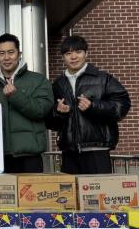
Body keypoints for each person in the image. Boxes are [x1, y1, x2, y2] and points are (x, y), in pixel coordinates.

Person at [47, 35, 131, 174]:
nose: (73, 57)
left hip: (97, 150)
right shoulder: (57, 84)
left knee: (100, 189)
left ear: (86, 53)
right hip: (69, 152)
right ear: (63, 57)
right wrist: (58, 112)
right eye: (68, 53)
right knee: (71, 189)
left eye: (78, 52)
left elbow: (122, 106)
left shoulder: (103, 79)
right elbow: (50, 122)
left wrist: (93, 106)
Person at [0, 33, 53, 173]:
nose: (6, 57)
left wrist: (15, 96)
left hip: (30, 155)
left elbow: (41, 110)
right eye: (1, 53)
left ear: (19, 54)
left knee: (30, 188)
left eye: (11, 52)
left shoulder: (38, 80)